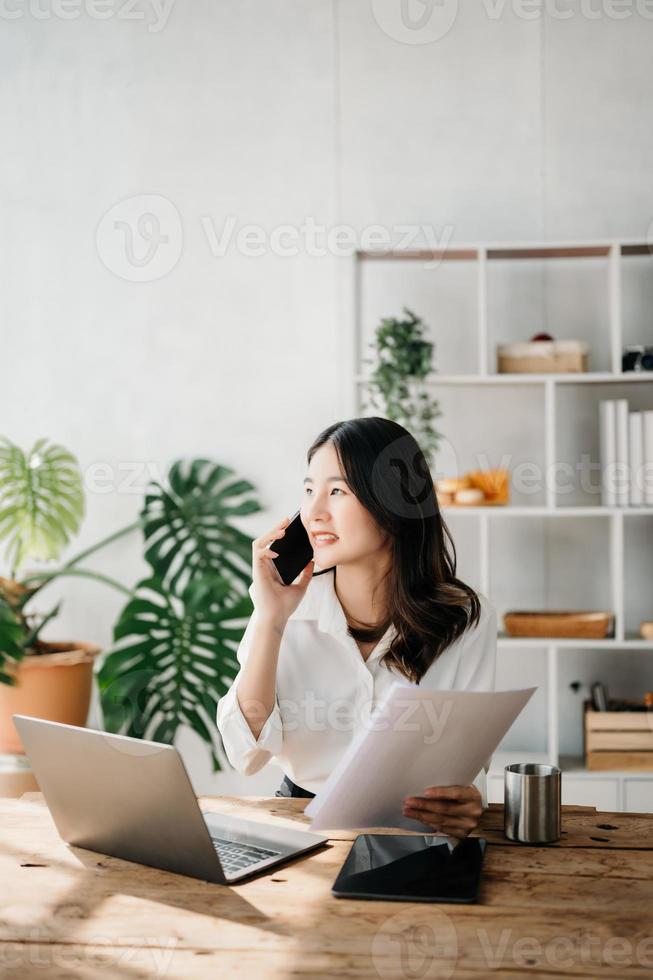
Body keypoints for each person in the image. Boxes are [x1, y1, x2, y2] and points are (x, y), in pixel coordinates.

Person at [216, 417, 497, 839]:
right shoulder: (285, 604)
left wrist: (469, 798)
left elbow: (467, 762)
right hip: (301, 819)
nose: (313, 513)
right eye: (309, 490)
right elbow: (248, 754)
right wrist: (270, 620)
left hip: (412, 827)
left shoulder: (464, 617)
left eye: (336, 491)